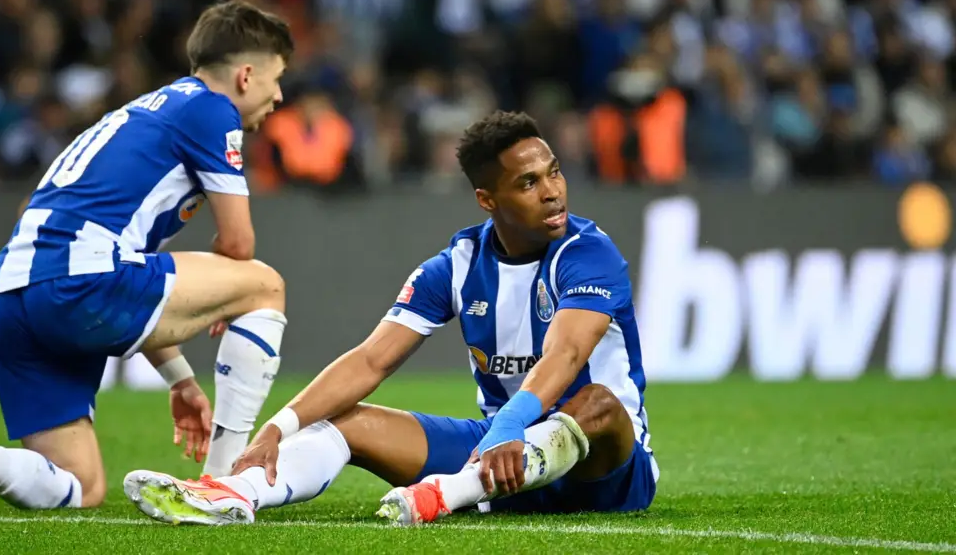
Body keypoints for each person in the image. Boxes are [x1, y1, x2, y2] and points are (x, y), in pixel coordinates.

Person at [122, 110, 657, 525]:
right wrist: (277, 428)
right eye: (528, 183)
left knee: (599, 403)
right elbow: (371, 360)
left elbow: (565, 354)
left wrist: (511, 427)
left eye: (554, 172)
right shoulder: (454, 268)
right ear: (486, 200)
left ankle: (446, 495)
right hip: (499, 455)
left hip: (603, 472)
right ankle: (234, 495)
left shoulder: (588, 253)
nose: (553, 191)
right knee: (347, 420)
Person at [0, 0, 294, 514]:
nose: (279, 96)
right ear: (246, 74)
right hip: (80, 282)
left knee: (82, 486)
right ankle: (222, 486)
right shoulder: (211, 109)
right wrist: (226, 292)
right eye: (277, 79)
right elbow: (239, 245)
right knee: (263, 285)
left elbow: (131, 264)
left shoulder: (144, 112)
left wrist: (181, 379)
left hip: (10, 295)